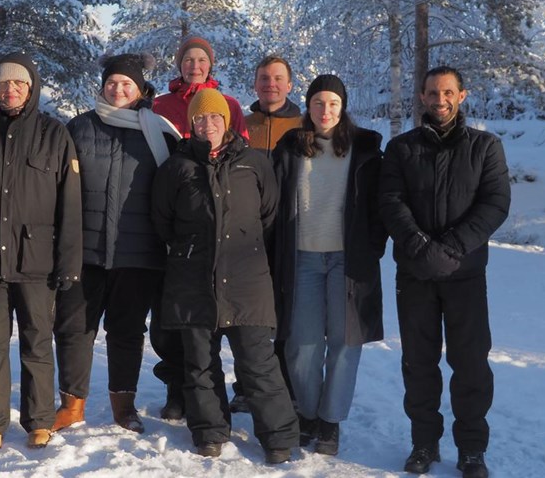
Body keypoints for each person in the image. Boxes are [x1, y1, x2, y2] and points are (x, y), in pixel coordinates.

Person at [151, 88, 298, 463]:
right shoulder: (177, 167)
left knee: (258, 361)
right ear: (191, 123)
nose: (208, 124)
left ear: (228, 121)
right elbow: (163, 221)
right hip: (192, 277)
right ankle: (210, 430)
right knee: (200, 362)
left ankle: (279, 437)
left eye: (215, 117)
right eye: (200, 118)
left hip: (246, 277)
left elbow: (268, 214)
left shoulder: (253, 163)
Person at [379, 66, 510, 478]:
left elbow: (494, 204)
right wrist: (419, 247)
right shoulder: (401, 149)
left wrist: (451, 247)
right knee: (419, 363)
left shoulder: (485, 147)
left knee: (470, 364)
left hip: (466, 275)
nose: (440, 100)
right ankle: (424, 443)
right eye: (433, 93)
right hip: (414, 275)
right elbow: (390, 201)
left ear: (462, 95)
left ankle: (471, 449)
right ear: (421, 97)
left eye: (448, 92)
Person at [54, 53, 182, 434]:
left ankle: (123, 407)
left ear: (140, 89)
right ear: (102, 86)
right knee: (76, 328)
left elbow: (177, 188)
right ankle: (71, 405)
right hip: (86, 251)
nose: (118, 89)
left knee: (126, 332)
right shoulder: (78, 128)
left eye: (127, 83)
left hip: (139, 254)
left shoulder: (159, 132)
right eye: (112, 82)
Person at [0, 52, 82, 451]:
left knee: (37, 344)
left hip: (38, 263)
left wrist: (69, 261)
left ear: (31, 88)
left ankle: (39, 419)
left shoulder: (55, 134)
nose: (11, 89)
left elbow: (70, 203)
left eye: (18, 83)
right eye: (3, 83)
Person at [271, 74, 386, 456]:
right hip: (301, 258)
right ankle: (306, 412)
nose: (325, 110)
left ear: (343, 106)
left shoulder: (364, 147)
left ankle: (330, 421)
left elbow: (379, 205)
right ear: (307, 106)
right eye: (318, 102)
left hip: (347, 260)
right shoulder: (290, 146)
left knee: (344, 342)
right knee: (300, 344)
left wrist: (373, 246)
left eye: (333, 103)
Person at [150, 35, 247, 419]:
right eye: (188, 59)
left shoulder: (230, 106)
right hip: (174, 221)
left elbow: (240, 160)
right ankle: (178, 388)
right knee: (171, 318)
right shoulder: (160, 106)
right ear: (179, 64)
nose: (194, 65)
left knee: (220, 317)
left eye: (201, 59)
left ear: (211, 64)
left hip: (219, 229)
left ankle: (222, 391)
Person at [232, 54, 302, 415]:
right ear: (254, 84)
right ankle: (245, 385)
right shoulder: (241, 124)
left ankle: (286, 384)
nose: (270, 84)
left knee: (286, 311)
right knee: (250, 311)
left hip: (290, 231)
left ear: (290, 85)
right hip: (249, 232)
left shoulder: (303, 125)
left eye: (277, 78)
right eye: (263, 78)